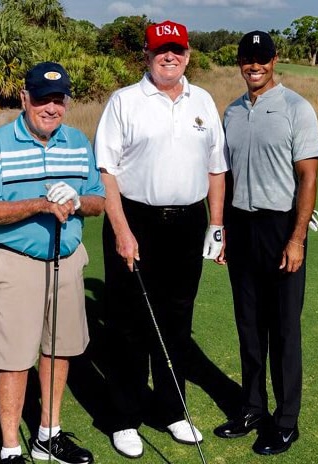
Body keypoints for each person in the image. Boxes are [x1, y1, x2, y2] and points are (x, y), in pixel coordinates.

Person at [94, 20, 228, 459]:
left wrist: (216, 224)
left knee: (176, 321)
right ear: (147, 57)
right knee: (130, 323)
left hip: (189, 221)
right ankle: (125, 418)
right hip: (136, 219)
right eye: (160, 51)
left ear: (188, 54)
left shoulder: (203, 100)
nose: (169, 57)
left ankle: (173, 411)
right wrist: (121, 230)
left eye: (177, 50)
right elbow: (106, 171)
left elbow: (216, 169)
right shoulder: (125, 102)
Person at [0, 61, 105, 464]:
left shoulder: (79, 142)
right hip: (17, 263)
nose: (52, 107)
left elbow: (98, 200)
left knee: (58, 349)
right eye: (43, 99)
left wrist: (78, 201)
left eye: (59, 99)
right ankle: (10, 449)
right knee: (13, 359)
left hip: (67, 259)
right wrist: (40, 206)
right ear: (24, 98)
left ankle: (49, 435)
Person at [213, 31, 318, 456]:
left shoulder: (296, 108)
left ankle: (285, 420)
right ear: (240, 63)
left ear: (275, 60)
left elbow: (308, 176)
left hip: (282, 228)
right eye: (247, 58)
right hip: (242, 227)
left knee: (284, 329)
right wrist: (219, 229)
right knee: (248, 326)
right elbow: (222, 176)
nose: (253, 65)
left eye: (261, 58)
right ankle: (253, 408)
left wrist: (297, 239)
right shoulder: (233, 111)